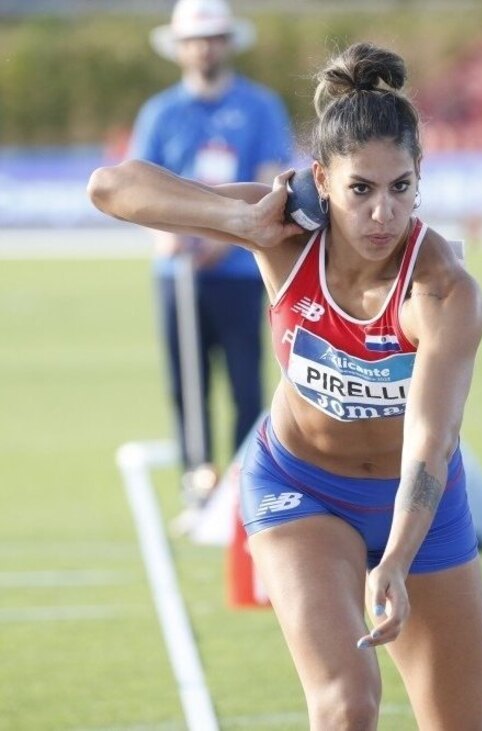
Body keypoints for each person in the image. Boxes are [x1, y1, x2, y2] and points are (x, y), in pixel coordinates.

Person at [89, 41, 482, 730]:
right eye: (360, 189)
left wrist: (395, 559)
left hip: (419, 501)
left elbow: (431, 439)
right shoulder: (284, 235)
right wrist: (238, 220)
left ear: (419, 180)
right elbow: (110, 187)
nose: (381, 214)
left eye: (400, 187)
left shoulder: (443, 290)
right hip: (300, 484)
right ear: (321, 181)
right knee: (346, 704)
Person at [128, 0, 293, 521]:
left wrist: (224, 237)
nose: (205, 47)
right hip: (177, 275)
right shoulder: (160, 113)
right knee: (186, 385)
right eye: (195, 39)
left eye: (214, 37)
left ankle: (248, 492)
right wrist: (168, 237)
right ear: (179, 49)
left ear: (228, 43)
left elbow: (269, 181)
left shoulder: (261, 106)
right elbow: (139, 188)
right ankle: (196, 485)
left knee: (246, 384)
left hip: (242, 271)